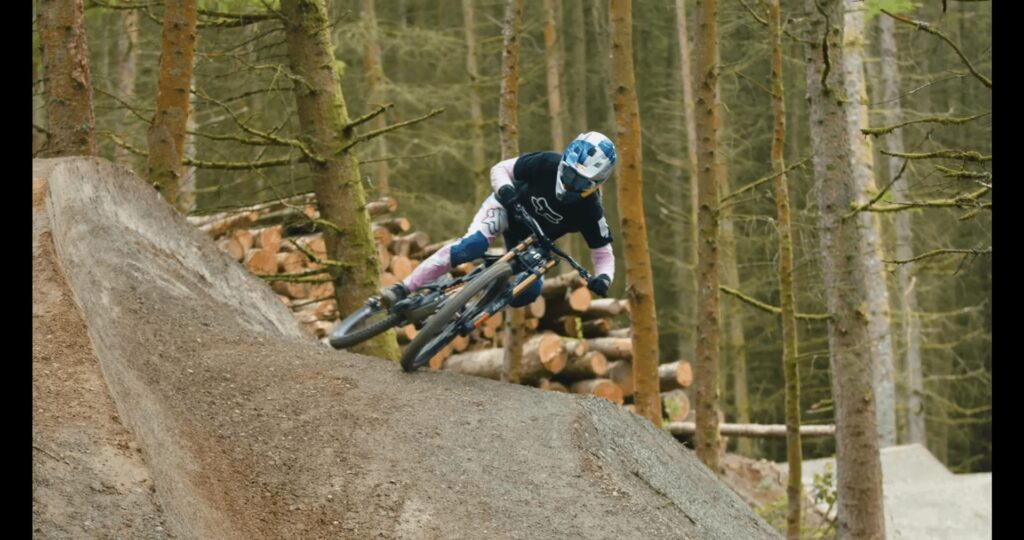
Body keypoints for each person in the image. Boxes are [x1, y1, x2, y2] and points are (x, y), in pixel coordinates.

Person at [379, 131, 618, 308]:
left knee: (527, 293)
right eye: (568, 174)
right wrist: (506, 191)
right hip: (506, 209)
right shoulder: (547, 163)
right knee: (471, 246)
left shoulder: (591, 210)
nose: (570, 184)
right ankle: (403, 288)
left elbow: (603, 253)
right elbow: (501, 169)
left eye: (580, 182)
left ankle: (468, 310)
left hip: (535, 241)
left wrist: (604, 278)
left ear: (595, 184)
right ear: (564, 162)